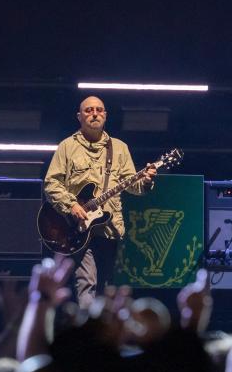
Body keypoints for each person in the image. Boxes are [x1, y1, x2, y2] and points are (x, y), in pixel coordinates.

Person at [43, 96, 156, 310]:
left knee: (106, 287)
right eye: (89, 110)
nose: (94, 113)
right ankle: (89, 324)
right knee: (87, 282)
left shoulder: (120, 148)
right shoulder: (67, 147)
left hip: (109, 229)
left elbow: (133, 185)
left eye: (99, 110)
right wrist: (71, 205)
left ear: (105, 115)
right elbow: (51, 183)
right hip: (77, 228)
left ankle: (102, 325)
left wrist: (147, 181)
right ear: (79, 116)